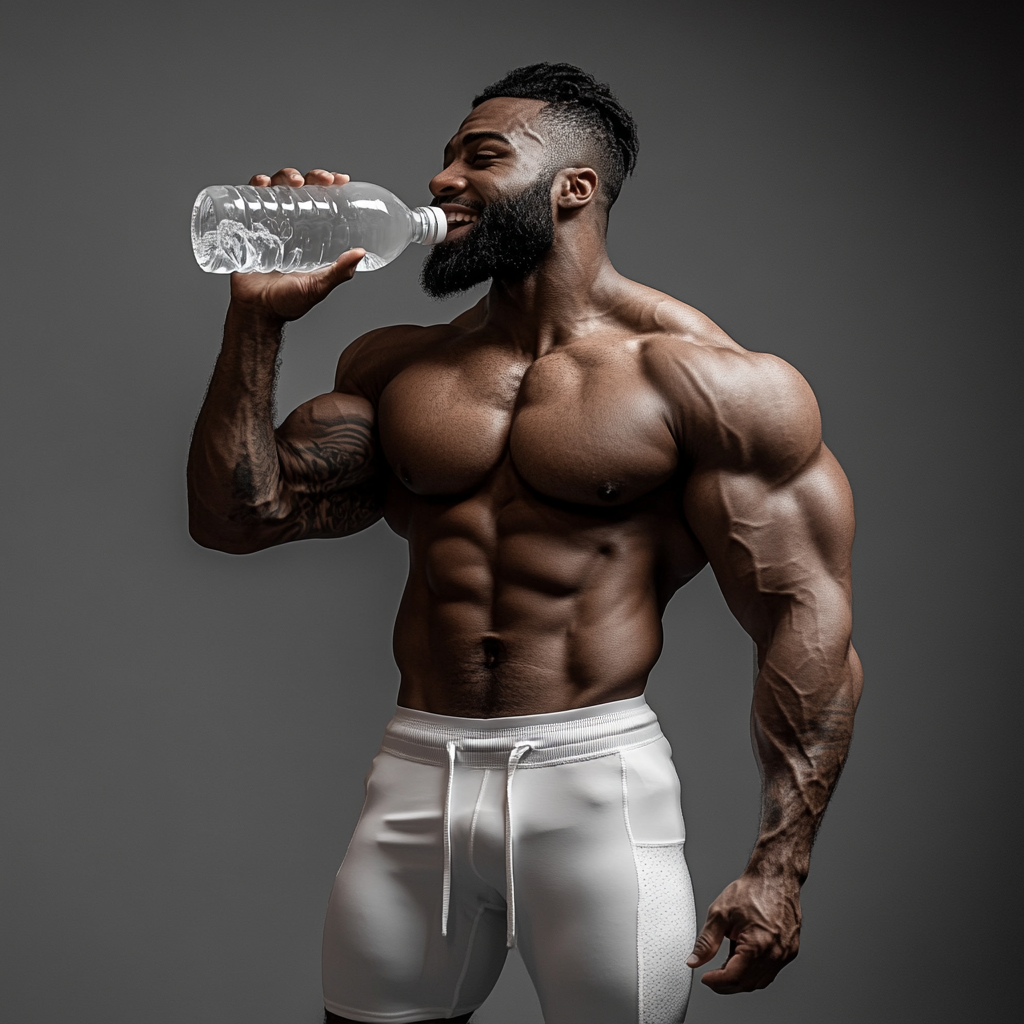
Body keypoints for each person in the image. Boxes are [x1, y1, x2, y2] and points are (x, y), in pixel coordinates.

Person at [187, 63, 862, 1024]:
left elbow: (806, 618)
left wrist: (777, 866)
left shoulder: (705, 381)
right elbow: (235, 518)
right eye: (445, 159)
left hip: (593, 790)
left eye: (482, 157)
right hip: (415, 778)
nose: (442, 181)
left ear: (573, 189)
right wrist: (254, 323)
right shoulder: (398, 367)